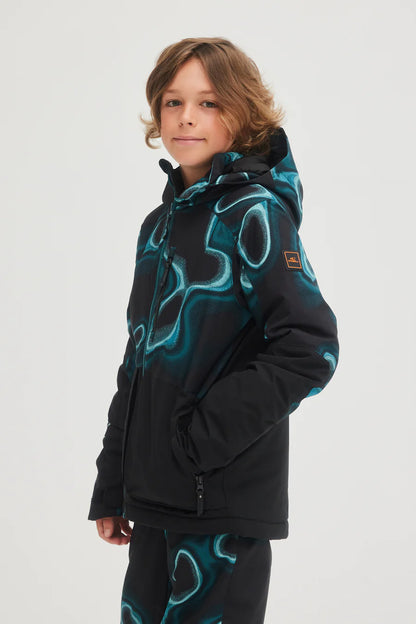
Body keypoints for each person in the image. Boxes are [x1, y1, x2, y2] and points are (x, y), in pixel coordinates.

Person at [88, 37, 339, 624]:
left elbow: (310, 346)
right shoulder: (159, 225)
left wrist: (201, 439)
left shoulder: (255, 213)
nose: (187, 117)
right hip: (154, 501)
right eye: (173, 102)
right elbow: (139, 358)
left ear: (243, 113)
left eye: (209, 103)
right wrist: (113, 481)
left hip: (219, 505)